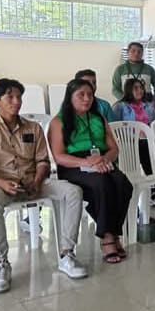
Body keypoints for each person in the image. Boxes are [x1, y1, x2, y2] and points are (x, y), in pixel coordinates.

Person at [0, 78, 88, 292]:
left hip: (35, 181)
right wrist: (2, 183)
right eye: (10, 97)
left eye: (19, 97)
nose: (16, 101)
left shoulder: (33, 128)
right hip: (4, 184)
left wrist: (37, 180)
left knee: (73, 191)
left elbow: (43, 161)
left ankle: (67, 254)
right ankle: (1, 263)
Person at [48, 79, 133, 263]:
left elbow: (114, 149)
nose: (87, 99)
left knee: (123, 184)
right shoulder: (58, 121)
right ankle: (108, 237)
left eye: (90, 95)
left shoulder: (98, 118)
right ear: (70, 97)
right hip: (73, 164)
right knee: (102, 183)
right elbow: (59, 157)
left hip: (100, 160)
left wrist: (104, 159)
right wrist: (87, 162)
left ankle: (111, 231)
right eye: (81, 95)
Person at [111, 41, 155, 106]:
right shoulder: (120, 69)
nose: (136, 54)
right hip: (127, 104)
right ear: (128, 52)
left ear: (142, 53)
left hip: (147, 103)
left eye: (139, 52)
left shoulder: (149, 69)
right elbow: (115, 89)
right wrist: (124, 100)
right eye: (133, 51)